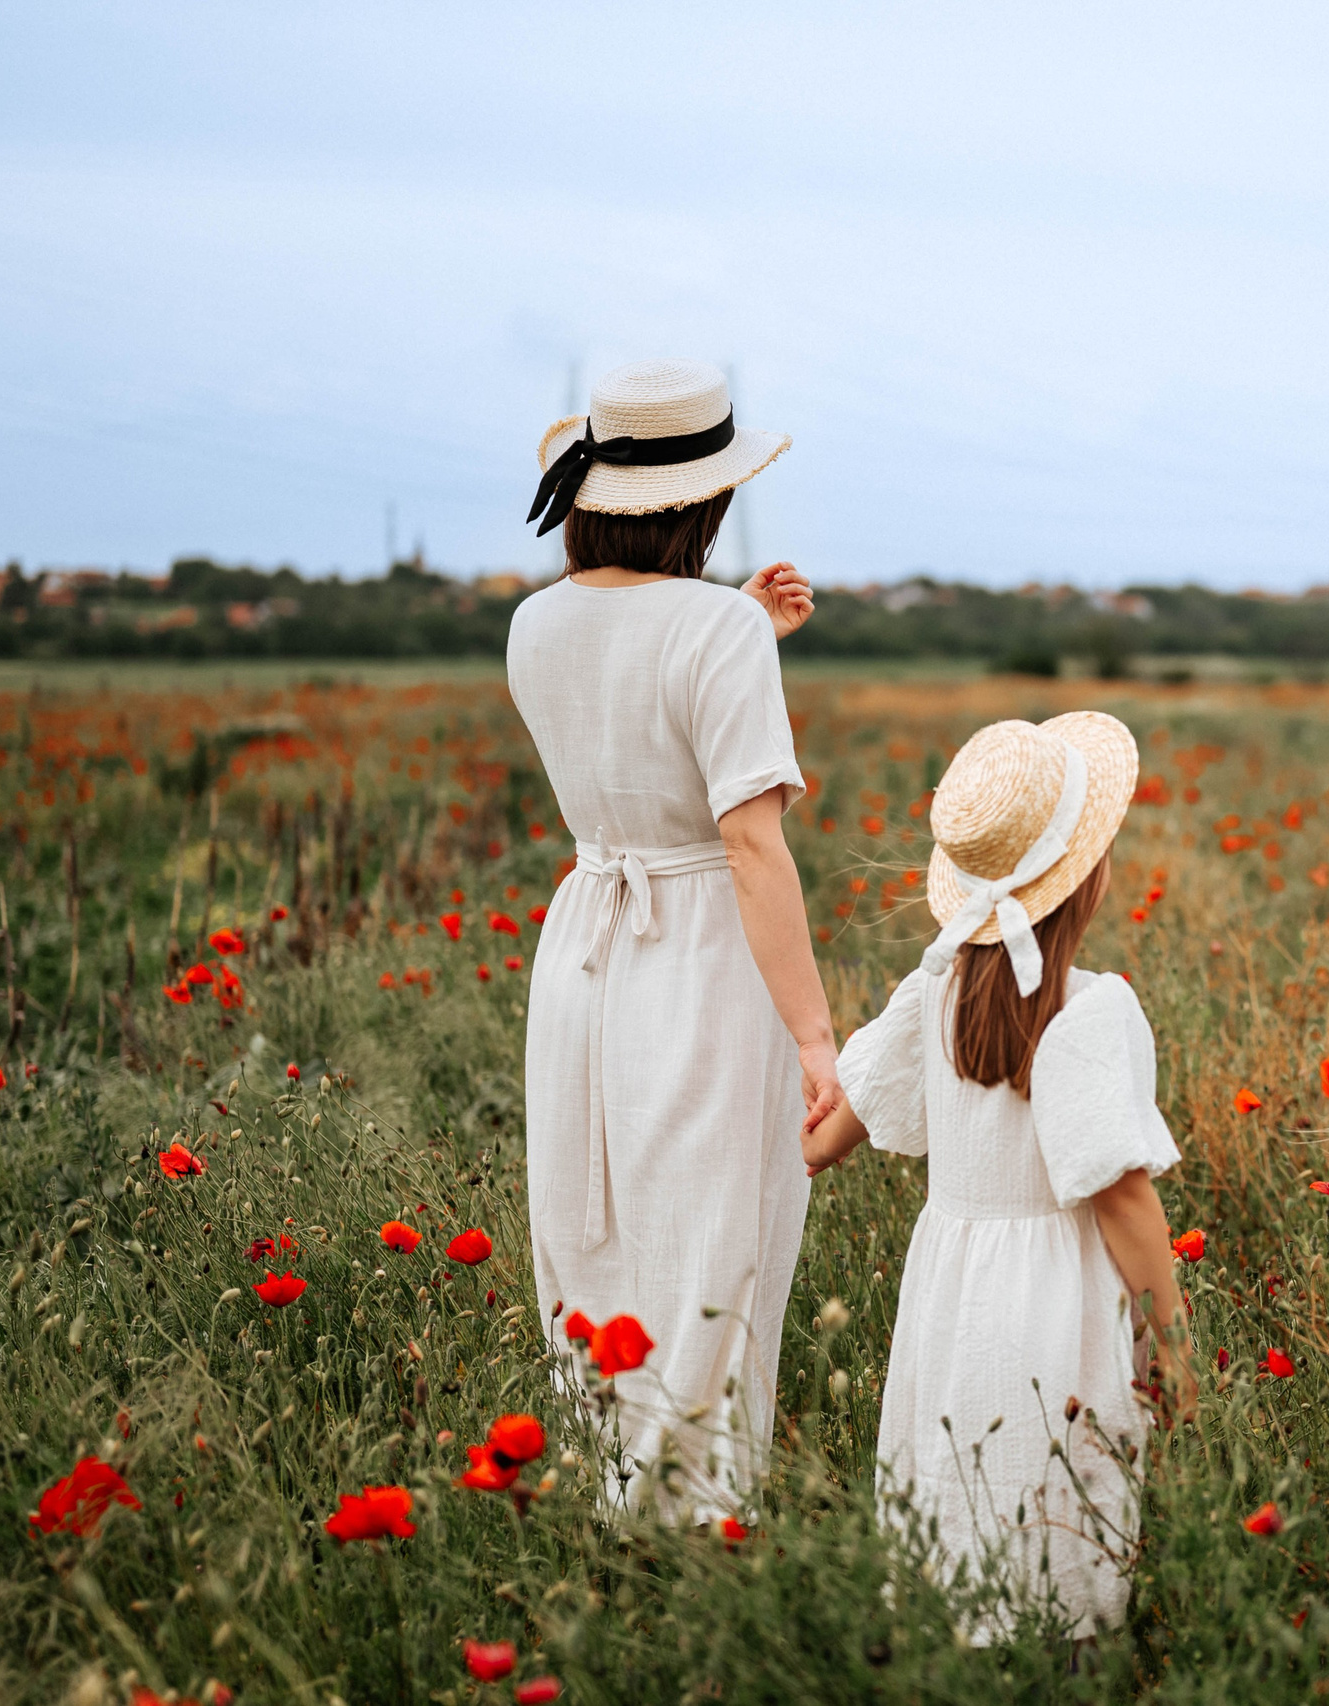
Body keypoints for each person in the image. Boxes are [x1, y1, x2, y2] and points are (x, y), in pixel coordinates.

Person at [508, 357, 838, 1519]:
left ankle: (611, 1487)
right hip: (697, 939)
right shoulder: (713, 631)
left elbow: (627, 697)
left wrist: (737, 630)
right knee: (713, 1221)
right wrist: (814, 1036)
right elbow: (750, 847)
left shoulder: (535, 621)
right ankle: (700, 1514)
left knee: (595, 1213)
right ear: (703, 501)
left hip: (587, 937)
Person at [799, 712, 1191, 1642]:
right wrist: (1171, 1340)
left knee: (957, 1489)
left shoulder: (932, 992)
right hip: (1055, 1297)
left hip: (951, 1296)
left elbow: (823, 1143)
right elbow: (1121, 1194)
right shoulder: (1090, 1011)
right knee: (1057, 1509)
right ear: (1087, 876)